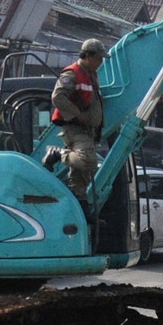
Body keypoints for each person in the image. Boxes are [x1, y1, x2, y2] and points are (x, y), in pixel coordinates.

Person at [51, 38, 107, 202]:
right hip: (75, 128)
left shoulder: (92, 75)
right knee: (86, 161)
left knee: (81, 175)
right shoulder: (72, 74)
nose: (101, 61)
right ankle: (57, 153)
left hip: (89, 131)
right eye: (99, 58)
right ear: (89, 56)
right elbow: (58, 97)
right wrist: (77, 114)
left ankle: (80, 202)